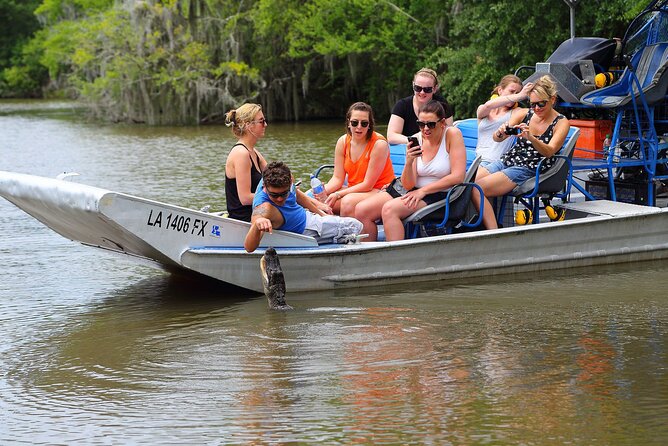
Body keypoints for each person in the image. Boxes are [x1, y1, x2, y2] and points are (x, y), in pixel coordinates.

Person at [355, 100, 467, 241]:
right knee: (361, 210)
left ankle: (396, 257)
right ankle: (370, 255)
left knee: (390, 210)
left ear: (443, 123)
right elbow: (408, 184)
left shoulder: (452, 135)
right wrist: (409, 161)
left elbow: (458, 177)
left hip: (440, 192)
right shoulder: (416, 139)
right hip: (413, 189)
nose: (425, 129)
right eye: (421, 124)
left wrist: (423, 191)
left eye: (431, 124)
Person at [472, 75, 571, 230]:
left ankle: (493, 232)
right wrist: (501, 132)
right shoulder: (525, 114)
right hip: (507, 160)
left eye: (541, 104)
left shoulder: (561, 122)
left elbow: (549, 152)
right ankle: (476, 225)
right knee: (466, 183)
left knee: (476, 189)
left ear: (552, 100)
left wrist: (530, 137)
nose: (536, 108)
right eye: (533, 105)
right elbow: (497, 139)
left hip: (528, 168)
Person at [244, 161, 363, 252]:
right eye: (274, 195)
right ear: (264, 185)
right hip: (306, 230)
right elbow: (249, 248)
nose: (279, 198)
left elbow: (297, 195)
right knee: (356, 225)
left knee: (346, 223)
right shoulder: (263, 208)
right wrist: (257, 225)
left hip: (308, 216)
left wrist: (321, 212)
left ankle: (336, 237)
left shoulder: (287, 178)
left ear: (290, 181)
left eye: (283, 194)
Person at [321, 102, 396, 217]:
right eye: (355, 123)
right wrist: (322, 191)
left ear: (370, 125)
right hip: (355, 190)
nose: (359, 127)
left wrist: (337, 194)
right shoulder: (343, 142)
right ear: (348, 123)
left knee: (346, 202)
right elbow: (337, 178)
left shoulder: (379, 144)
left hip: (380, 191)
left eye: (364, 123)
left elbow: (368, 185)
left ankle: (346, 232)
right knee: (317, 199)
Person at [224, 103, 269, 221]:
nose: (265, 124)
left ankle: (320, 209)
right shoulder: (241, 154)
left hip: (260, 209)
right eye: (261, 121)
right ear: (248, 125)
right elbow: (245, 198)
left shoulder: (254, 152)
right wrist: (277, 196)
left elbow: (275, 176)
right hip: (245, 218)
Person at [387, 68, 455, 145]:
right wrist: (415, 140)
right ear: (413, 86)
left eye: (427, 89)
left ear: (435, 89)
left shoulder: (443, 105)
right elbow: (391, 136)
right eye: (418, 88)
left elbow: (450, 133)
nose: (422, 92)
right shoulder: (402, 106)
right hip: (411, 150)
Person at [476, 75, 534, 166]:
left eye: (517, 93)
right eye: (511, 91)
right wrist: (519, 96)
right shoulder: (485, 110)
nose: (515, 95)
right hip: (477, 159)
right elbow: (488, 106)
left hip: (494, 162)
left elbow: (536, 111)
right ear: (500, 90)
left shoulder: (516, 112)